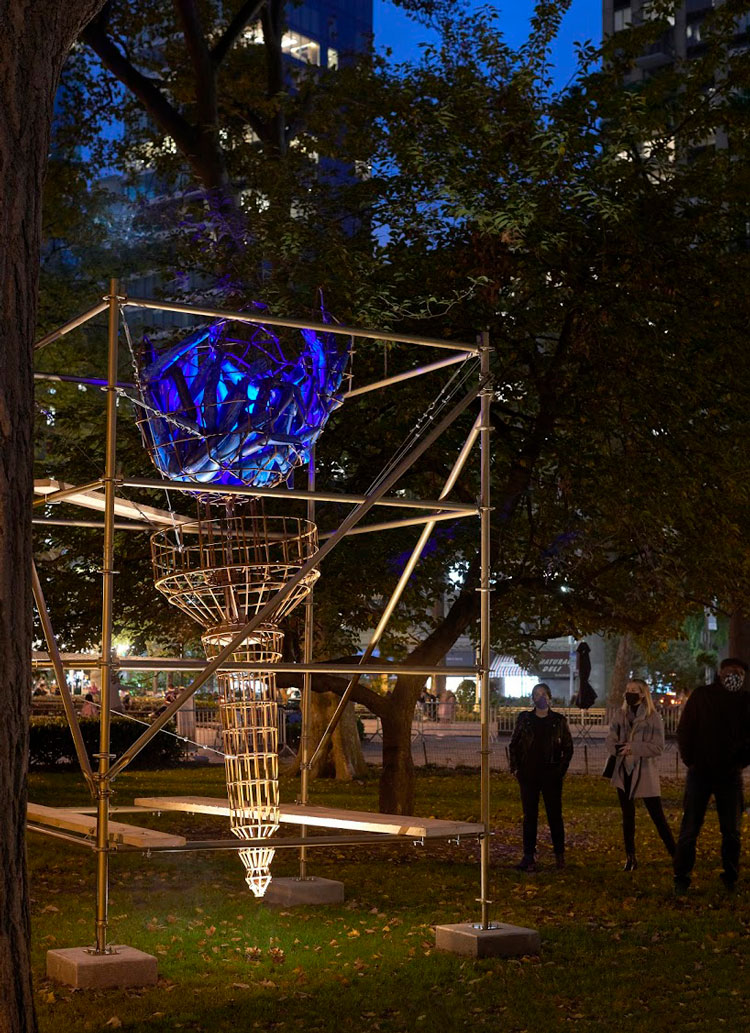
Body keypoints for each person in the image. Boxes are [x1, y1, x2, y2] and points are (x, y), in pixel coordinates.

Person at [673, 657, 750, 894]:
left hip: (728, 774)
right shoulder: (702, 696)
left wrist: (739, 762)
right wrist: (691, 761)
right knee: (690, 829)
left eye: (739, 673)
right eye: (730, 672)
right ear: (720, 673)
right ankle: (682, 878)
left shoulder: (745, 701)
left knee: (731, 832)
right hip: (701, 772)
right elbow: (685, 729)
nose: (734, 676)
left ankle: (730, 877)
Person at [605, 678, 675, 871]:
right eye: (627, 689)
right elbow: (610, 739)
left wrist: (633, 748)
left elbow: (658, 747)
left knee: (657, 815)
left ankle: (675, 853)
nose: (629, 692)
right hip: (623, 770)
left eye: (634, 690)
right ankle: (630, 857)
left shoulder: (653, 717)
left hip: (644, 771)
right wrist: (618, 749)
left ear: (643, 694)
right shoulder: (620, 715)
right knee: (627, 816)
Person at [509, 682, 573, 871]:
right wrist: (515, 768)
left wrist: (560, 771)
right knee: (530, 816)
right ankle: (528, 856)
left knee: (554, 815)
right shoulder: (525, 718)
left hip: (551, 775)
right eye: (536, 694)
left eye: (543, 693)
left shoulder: (558, 721)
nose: (540, 697)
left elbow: (568, 748)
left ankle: (559, 856)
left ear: (550, 697)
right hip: (528, 774)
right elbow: (514, 744)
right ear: (532, 698)